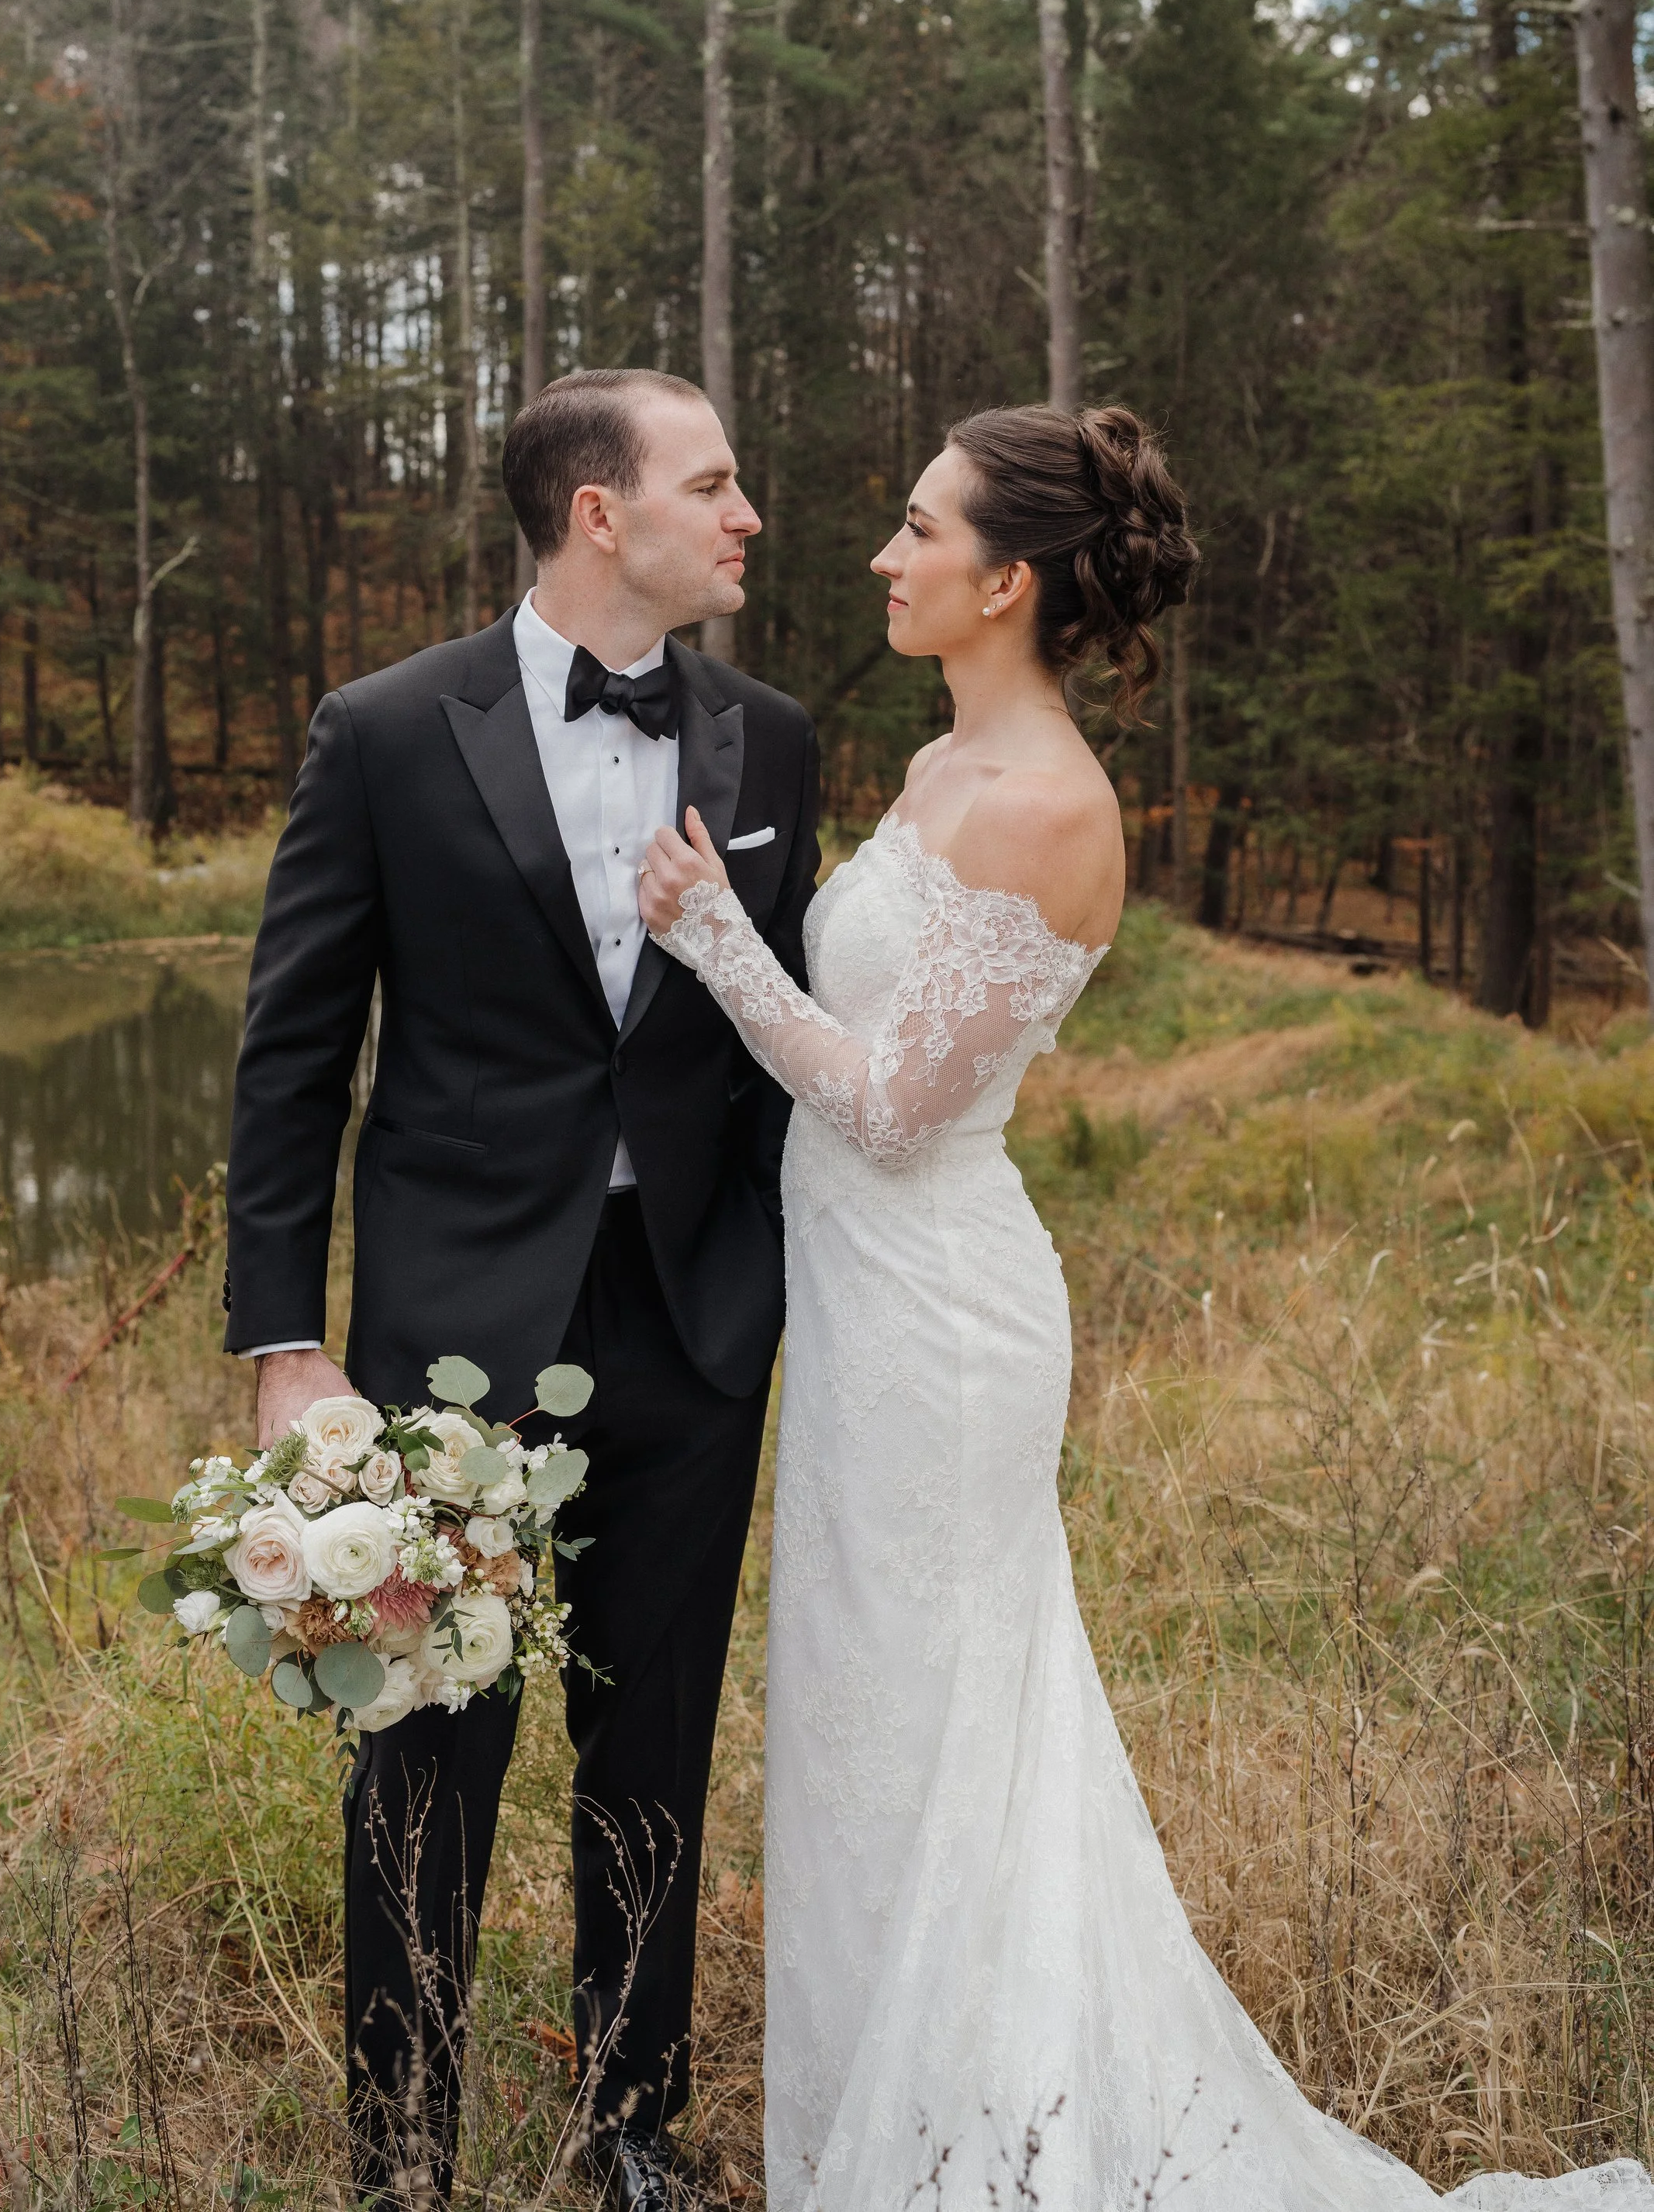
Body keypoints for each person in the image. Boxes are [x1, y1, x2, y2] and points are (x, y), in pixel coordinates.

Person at [638, 402, 1654, 2212]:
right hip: (864, 1313)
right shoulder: (943, 765)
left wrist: (711, 939)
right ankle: (886, 2127)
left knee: (950, 1733)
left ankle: (982, 2156)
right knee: (869, 1728)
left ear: (1003, 579)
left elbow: (886, 1108)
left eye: (914, 528)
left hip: (940, 1316)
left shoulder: (1044, 807)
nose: (880, 554)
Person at [223, 368, 820, 2210]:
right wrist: (280, 1338)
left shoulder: (773, 739)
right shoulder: (388, 730)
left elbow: (774, 1029)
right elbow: (292, 1054)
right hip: (449, 1333)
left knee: (650, 1741)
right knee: (422, 1756)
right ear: (596, 514)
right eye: (709, 485)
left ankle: (629, 2127)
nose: (741, 519)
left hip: (690, 1325)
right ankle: (399, 2147)